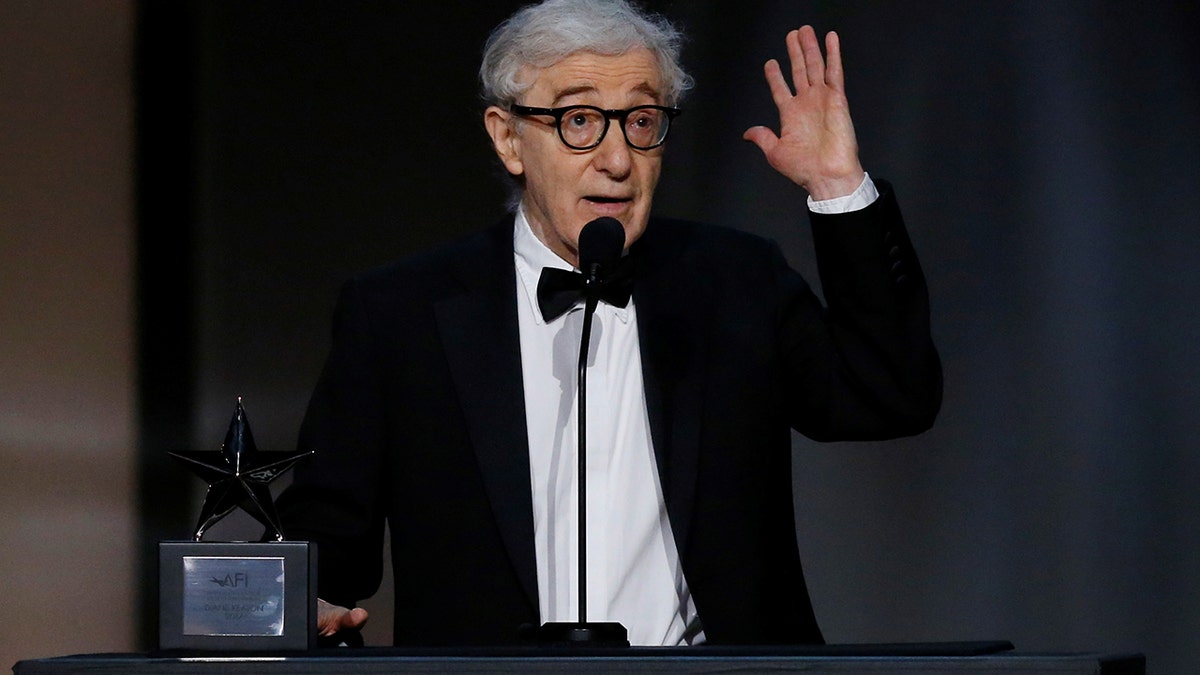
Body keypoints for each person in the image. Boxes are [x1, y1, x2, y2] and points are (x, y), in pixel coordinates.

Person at [276, 0, 941, 647]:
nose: (618, 159)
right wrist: (313, 603)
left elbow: (887, 395)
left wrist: (838, 186)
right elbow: (330, 536)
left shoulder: (736, 281)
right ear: (509, 138)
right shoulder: (399, 313)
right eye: (580, 121)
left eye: (642, 121)